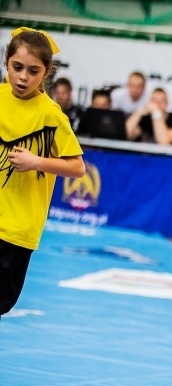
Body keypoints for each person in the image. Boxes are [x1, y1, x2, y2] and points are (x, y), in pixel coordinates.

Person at [1, 28, 85, 318]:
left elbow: (77, 167)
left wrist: (36, 161)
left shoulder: (51, 114)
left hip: (17, 229)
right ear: (6, 62)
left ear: (47, 72)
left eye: (33, 71)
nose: (23, 77)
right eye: (17, 67)